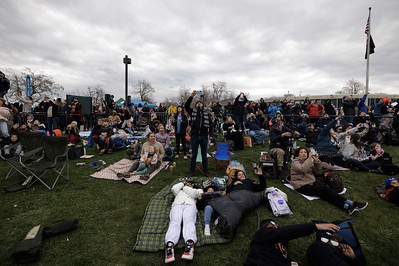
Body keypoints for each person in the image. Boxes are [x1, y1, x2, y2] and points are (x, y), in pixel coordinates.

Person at [290, 147, 368, 215]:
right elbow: (303, 169)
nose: (304, 154)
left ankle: (347, 207)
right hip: (300, 186)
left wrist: (316, 160)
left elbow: (317, 169)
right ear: (297, 155)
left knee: (325, 195)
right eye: (301, 152)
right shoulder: (295, 162)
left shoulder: (308, 161)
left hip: (310, 183)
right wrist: (310, 159)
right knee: (324, 189)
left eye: (305, 152)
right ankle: (351, 203)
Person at [244, 220, 341, 266]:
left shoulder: (282, 245)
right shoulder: (261, 235)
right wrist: (314, 226)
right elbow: (285, 232)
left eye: (278, 225)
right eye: (273, 224)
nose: (276, 226)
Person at [164, 181, 203, 263]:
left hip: (190, 206)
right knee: (175, 222)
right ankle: (170, 246)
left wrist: (186, 187)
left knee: (188, 221)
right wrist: (182, 183)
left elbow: (195, 194)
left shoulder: (198, 190)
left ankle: (190, 245)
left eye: (190, 184)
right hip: (177, 205)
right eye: (187, 184)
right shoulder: (179, 190)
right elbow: (174, 189)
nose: (188, 185)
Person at [185, 91, 213, 177]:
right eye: (198, 103)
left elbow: (211, 125)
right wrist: (191, 96)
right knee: (194, 154)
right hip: (195, 136)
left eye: (201, 103)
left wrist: (211, 134)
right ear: (196, 105)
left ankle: (205, 171)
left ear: (203, 105)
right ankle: (192, 171)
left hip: (204, 136)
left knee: (204, 155)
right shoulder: (193, 112)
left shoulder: (207, 114)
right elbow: (186, 106)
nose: (199, 104)